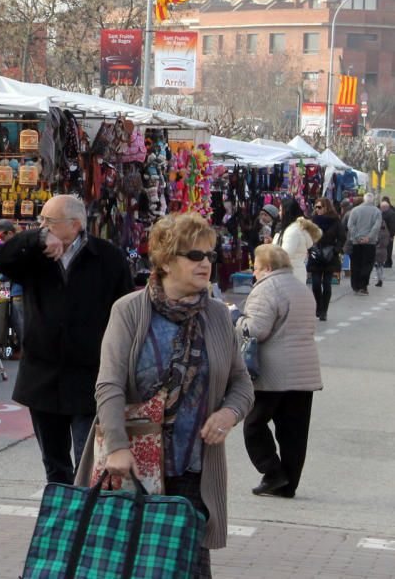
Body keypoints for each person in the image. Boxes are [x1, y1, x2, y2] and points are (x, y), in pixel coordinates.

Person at [76, 212, 254, 577]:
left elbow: (241, 383)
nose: (206, 263)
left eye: (210, 255)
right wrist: (117, 446)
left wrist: (228, 414)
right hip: (131, 466)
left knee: (188, 567)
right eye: (195, 255)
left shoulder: (218, 316)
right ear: (166, 260)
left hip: (192, 470)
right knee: (123, 564)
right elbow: (108, 384)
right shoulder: (129, 310)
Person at [0, 195, 132, 484]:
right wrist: (38, 237)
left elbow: (126, 312)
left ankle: (85, 521)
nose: (43, 225)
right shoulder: (35, 255)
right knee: (55, 465)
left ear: (75, 225)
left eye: (50, 222)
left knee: (88, 461)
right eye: (41, 220)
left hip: (89, 376)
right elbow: (1, 259)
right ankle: (62, 520)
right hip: (43, 376)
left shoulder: (108, 257)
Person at [236, 245, 322, 499]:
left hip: (274, 372)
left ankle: (272, 471)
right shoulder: (301, 288)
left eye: (256, 268)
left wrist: (235, 319)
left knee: (253, 424)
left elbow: (256, 330)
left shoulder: (267, 289)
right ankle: (288, 484)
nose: (254, 273)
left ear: (268, 268)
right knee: (294, 431)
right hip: (304, 372)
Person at [0, 219, 23, 359]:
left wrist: (0, 279)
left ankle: (25, 351)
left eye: (2, 237)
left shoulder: (18, 246)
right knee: (18, 322)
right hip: (18, 289)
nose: (1, 240)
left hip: (20, 291)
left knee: (20, 322)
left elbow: (14, 265)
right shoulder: (16, 245)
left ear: (10, 233)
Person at [307, 200, 344, 321]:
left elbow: (341, 237)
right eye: (316, 207)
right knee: (316, 284)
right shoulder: (313, 221)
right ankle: (318, 306)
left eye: (319, 207)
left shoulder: (335, 221)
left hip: (330, 256)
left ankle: (324, 311)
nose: (317, 209)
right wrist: (309, 249)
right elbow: (307, 236)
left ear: (326, 207)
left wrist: (336, 250)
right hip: (316, 255)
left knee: (327, 284)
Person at [272, 197, 321, 285]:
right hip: (293, 274)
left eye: (280, 210)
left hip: (290, 276)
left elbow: (285, 255)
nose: (279, 213)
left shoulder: (293, 231)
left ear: (286, 212)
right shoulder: (294, 229)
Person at [345, 192, 382, 295]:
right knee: (367, 264)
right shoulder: (377, 211)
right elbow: (376, 226)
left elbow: (350, 225)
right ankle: (363, 285)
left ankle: (355, 285)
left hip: (356, 242)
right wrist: (368, 237)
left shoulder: (355, 210)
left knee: (356, 263)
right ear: (373, 200)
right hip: (370, 243)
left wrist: (357, 236)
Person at [375, 214, 390, 288]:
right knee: (381, 266)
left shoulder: (377, 231)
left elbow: (375, 240)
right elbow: (387, 242)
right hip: (384, 250)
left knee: (377, 266)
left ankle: (379, 280)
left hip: (377, 250)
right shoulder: (387, 232)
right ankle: (380, 279)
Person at [380, 197, 395, 268]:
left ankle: (388, 262)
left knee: (388, 248)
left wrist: (391, 235)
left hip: (388, 233)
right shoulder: (390, 211)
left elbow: (392, 225)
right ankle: (387, 261)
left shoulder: (390, 213)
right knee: (386, 248)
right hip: (386, 233)